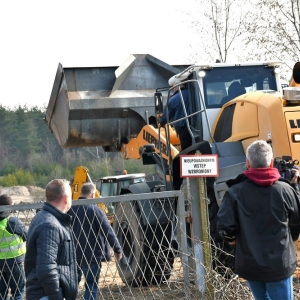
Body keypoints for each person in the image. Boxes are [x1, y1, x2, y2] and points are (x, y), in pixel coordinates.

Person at [217, 140, 300, 300]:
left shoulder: (235, 192)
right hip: (279, 265)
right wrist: (295, 186)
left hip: (251, 265)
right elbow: (297, 219)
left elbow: (224, 228)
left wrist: (235, 243)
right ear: (271, 163)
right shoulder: (285, 190)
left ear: (248, 164)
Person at [25, 179, 78, 300]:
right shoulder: (50, 225)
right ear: (65, 198)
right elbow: (46, 269)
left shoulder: (43, 217)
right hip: (46, 295)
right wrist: (57, 297)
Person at [68, 182, 122, 300]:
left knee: (72, 286)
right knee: (91, 286)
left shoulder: (70, 210)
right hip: (92, 255)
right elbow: (108, 231)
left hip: (74, 255)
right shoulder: (96, 210)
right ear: (92, 194)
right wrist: (117, 249)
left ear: (81, 193)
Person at [0, 194, 27, 300]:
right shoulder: (12, 221)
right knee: (18, 292)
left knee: (1, 292)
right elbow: (26, 235)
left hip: (0, 263)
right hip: (15, 261)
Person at [159, 80, 192, 151]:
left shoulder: (173, 99)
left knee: (186, 148)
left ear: (175, 88)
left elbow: (166, 115)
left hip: (182, 127)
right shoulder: (193, 94)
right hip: (195, 125)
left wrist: (161, 123)